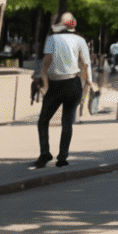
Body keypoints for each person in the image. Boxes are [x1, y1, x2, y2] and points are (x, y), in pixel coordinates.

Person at [34, 13, 91, 168]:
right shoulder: (80, 40)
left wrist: (44, 85)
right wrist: (86, 85)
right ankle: (62, 157)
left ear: (61, 24)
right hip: (73, 83)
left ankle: (45, 153)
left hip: (56, 84)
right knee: (67, 122)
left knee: (43, 121)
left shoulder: (52, 39)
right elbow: (85, 65)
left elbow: (46, 63)